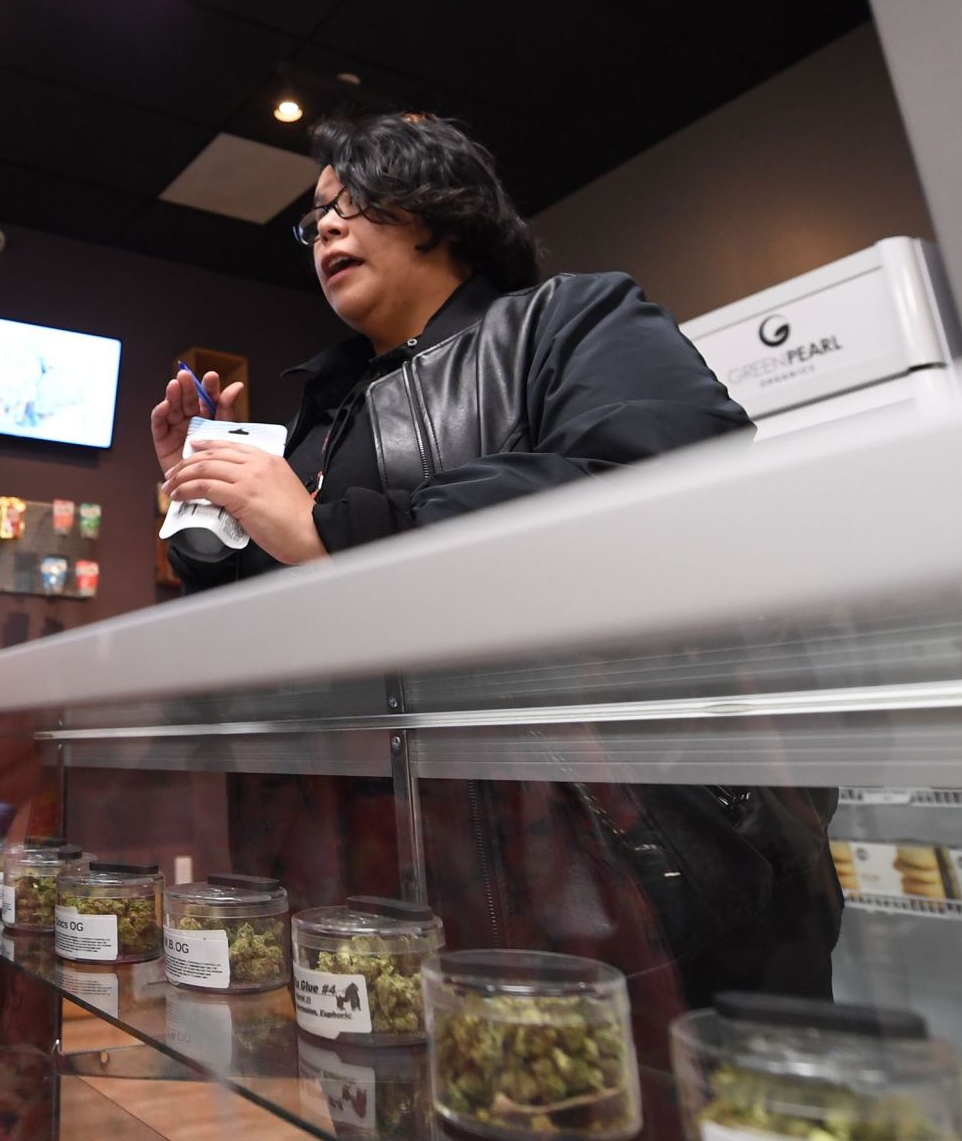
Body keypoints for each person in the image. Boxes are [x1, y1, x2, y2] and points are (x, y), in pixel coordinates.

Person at [152, 111, 844, 1040]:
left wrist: (330, 527)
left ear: (441, 206)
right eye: (313, 220)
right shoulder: (322, 425)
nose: (324, 230)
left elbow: (662, 480)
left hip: (630, 875)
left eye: (350, 203)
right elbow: (283, 636)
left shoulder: (571, 319)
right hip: (394, 881)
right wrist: (206, 514)